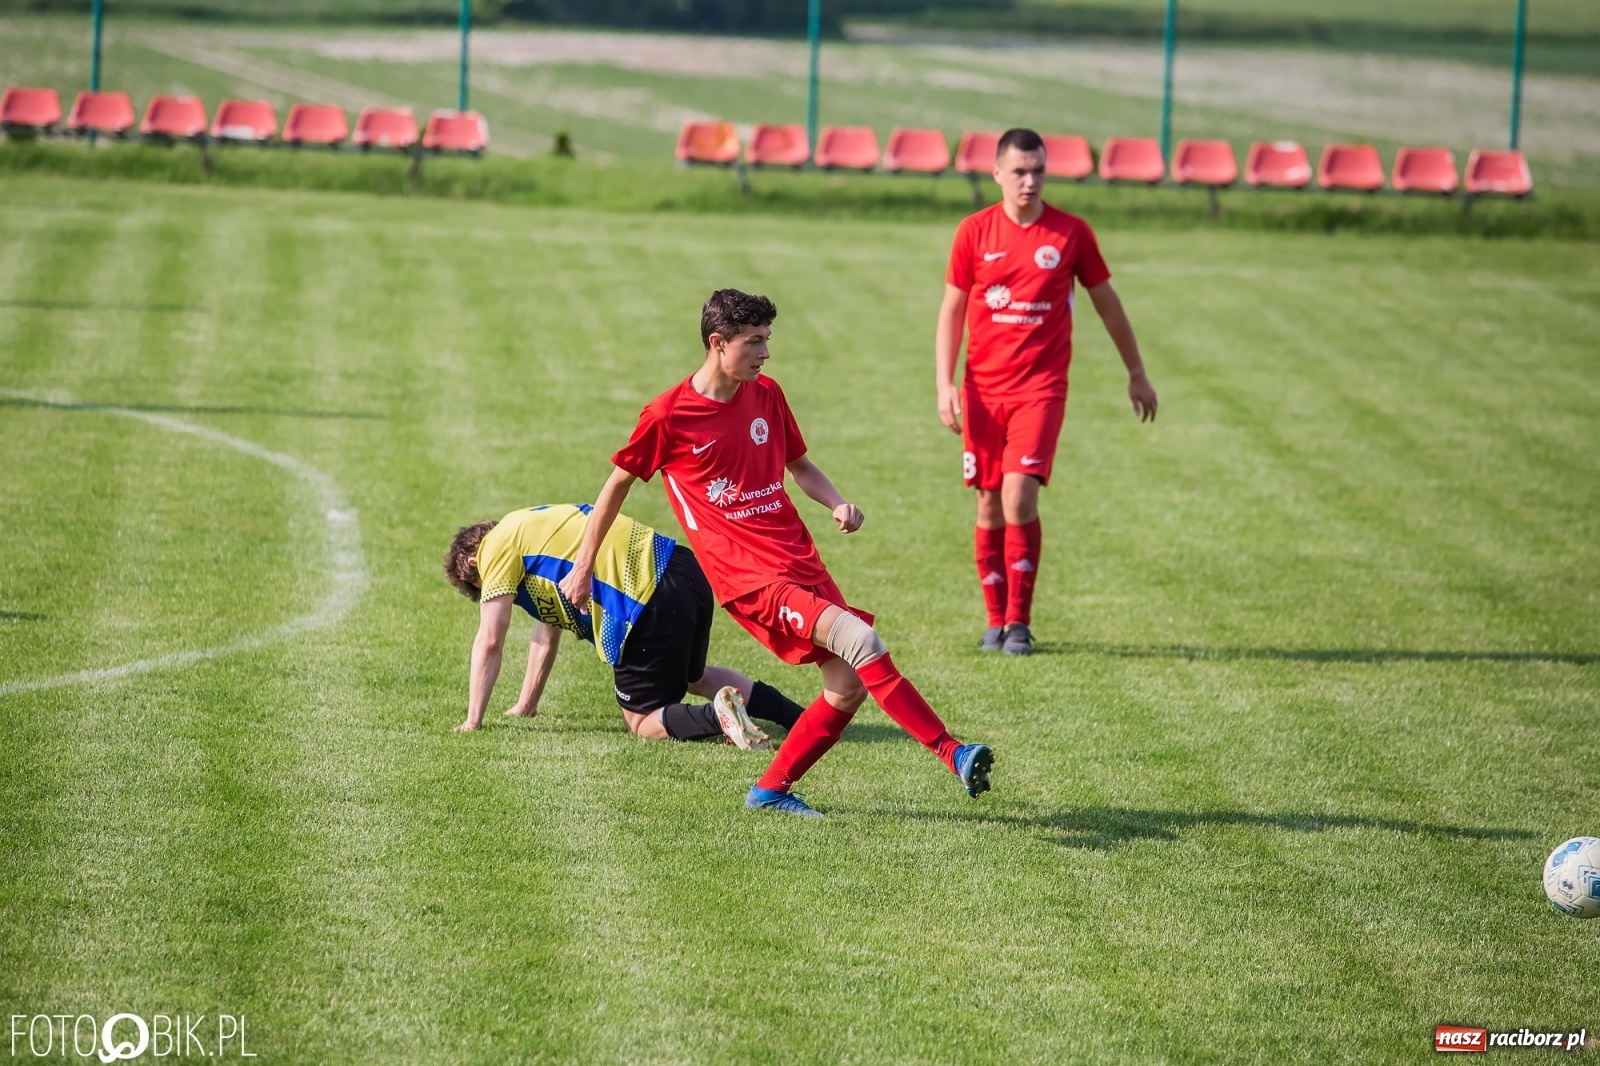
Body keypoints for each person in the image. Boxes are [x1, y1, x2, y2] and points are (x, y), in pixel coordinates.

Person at [558, 289, 993, 818]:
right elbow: (616, 484)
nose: (766, 353)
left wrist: (837, 503)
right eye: (755, 342)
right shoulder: (669, 415)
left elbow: (800, 466)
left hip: (798, 560)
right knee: (863, 641)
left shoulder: (766, 394)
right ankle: (954, 753)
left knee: (847, 687)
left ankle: (770, 790)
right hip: (751, 579)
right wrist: (582, 566)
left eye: (768, 340)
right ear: (718, 344)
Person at [935, 127, 1159, 656]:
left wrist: (1137, 372)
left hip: (1041, 388)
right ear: (997, 174)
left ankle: (1019, 621)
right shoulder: (973, 232)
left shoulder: (1070, 234)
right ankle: (994, 620)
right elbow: (951, 310)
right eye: (1019, 171)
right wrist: (944, 383)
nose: (1030, 181)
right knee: (988, 503)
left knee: (1018, 494)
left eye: (1038, 170)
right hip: (983, 391)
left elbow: (1107, 303)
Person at [442, 504, 807, 745]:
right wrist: (526, 703)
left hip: (646, 598)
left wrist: (473, 720)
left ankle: (719, 716)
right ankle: (802, 721)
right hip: (683, 568)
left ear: (474, 562)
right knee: (692, 677)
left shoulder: (493, 551)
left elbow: (490, 639)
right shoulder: (531, 528)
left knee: (642, 721)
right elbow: (546, 630)